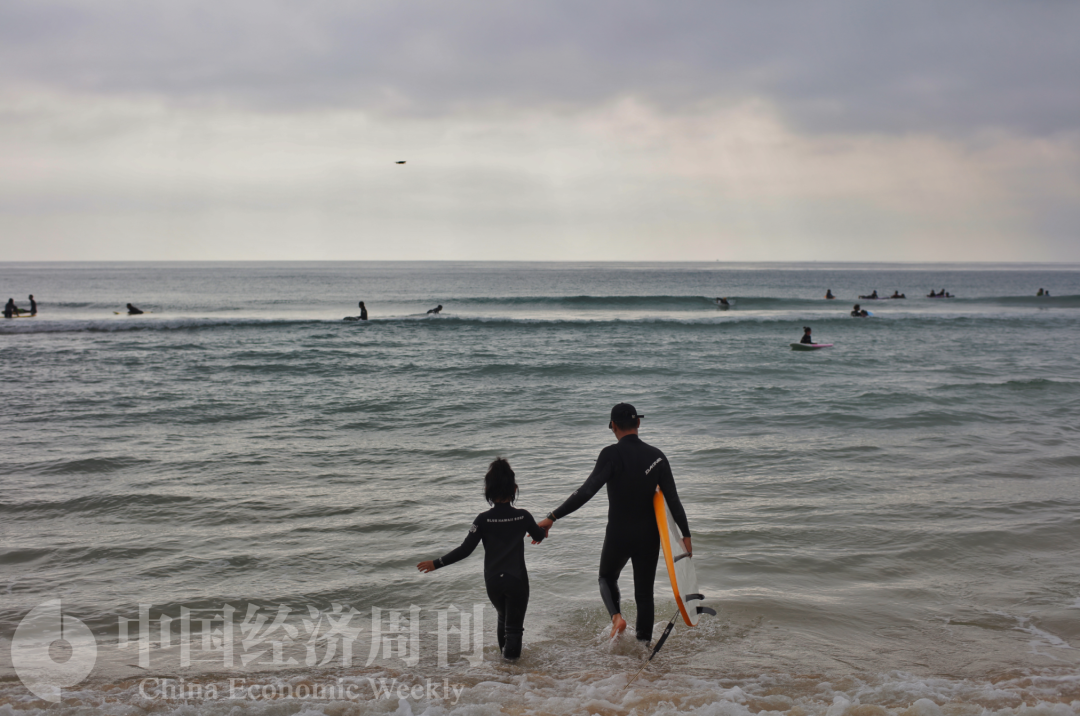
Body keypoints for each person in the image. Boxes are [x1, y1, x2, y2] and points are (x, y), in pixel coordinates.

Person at [537, 403, 691, 643]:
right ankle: (643, 648)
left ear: (613, 426)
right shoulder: (657, 457)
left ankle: (617, 617)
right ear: (638, 423)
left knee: (607, 578)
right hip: (649, 536)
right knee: (644, 595)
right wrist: (686, 535)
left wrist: (553, 517)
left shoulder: (611, 454)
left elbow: (585, 492)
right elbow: (673, 500)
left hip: (619, 533)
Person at [417, 458, 545, 659]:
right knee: (513, 630)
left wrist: (436, 563)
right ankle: (512, 674)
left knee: (503, 619)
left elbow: (465, 549)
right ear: (514, 488)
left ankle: (504, 673)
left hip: (493, 582)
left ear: (488, 489)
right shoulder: (523, 516)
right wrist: (543, 528)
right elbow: (537, 536)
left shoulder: (482, 519)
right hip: (516, 580)